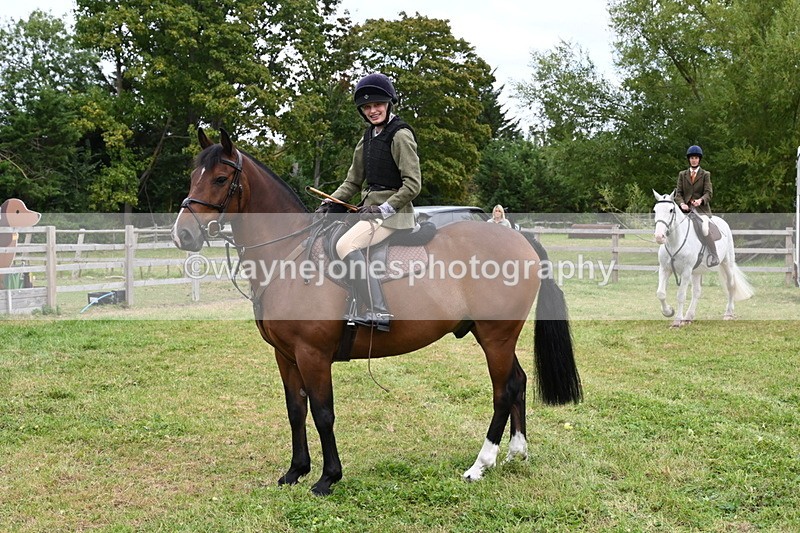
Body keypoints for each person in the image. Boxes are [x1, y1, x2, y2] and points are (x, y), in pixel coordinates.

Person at [315, 73, 422, 331]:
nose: (373, 111)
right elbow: (352, 182)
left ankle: (379, 310)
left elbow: (413, 184)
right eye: (367, 107)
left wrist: (383, 209)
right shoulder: (368, 137)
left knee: (346, 244)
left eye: (378, 105)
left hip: (394, 215)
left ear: (388, 104)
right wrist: (330, 202)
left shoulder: (400, 135)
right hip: (368, 211)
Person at [675, 145, 718, 267]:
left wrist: (700, 200)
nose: (694, 160)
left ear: (699, 159)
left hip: (701, 210)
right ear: (689, 159)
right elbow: (678, 193)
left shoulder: (705, 174)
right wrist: (682, 203)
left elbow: (709, 193)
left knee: (704, 229)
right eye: (692, 158)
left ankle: (714, 255)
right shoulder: (682, 174)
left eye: (696, 158)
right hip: (685, 211)